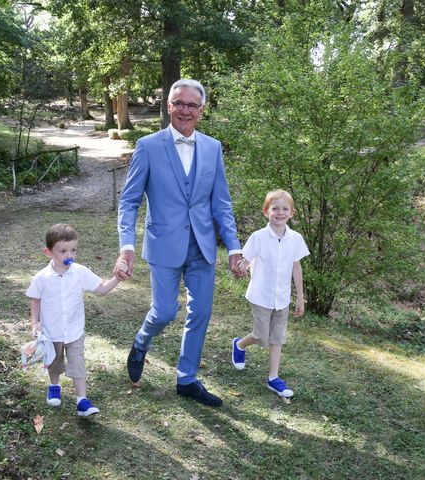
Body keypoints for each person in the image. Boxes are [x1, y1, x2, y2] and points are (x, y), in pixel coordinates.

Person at [114, 79, 244, 407]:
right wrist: (126, 246)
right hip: (163, 243)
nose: (185, 110)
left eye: (192, 105)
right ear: (169, 106)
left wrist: (234, 247)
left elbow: (221, 204)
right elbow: (129, 201)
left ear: (201, 110)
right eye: (179, 103)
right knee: (165, 311)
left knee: (200, 311)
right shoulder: (148, 146)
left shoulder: (213, 148)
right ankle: (142, 341)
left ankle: (186, 379)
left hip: (201, 245)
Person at [26, 223, 120, 417]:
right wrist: (34, 322)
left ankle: (82, 401)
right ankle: (54, 386)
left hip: (75, 330)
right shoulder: (42, 277)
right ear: (48, 252)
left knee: (77, 363)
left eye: (73, 250)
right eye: (63, 251)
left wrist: (117, 278)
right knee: (54, 363)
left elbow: (101, 288)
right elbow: (35, 300)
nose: (69, 255)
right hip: (52, 332)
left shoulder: (80, 272)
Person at [231, 189, 309, 398]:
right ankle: (239, 344)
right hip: (261, 296)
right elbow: (245, 261)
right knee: (261, 336)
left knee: (277, 338)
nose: (280, 213)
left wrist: (299, 297)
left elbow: (296, 268)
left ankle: (273, 378)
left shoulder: (295, 238)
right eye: (275, 208)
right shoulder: (258, 237)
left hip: (282, 299)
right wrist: (241, 266)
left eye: (285, 209)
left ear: (292, 213)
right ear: (266, 211)